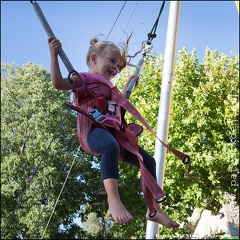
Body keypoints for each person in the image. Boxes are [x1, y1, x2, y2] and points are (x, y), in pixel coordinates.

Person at [48, 35, 180, 228]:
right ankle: (113, 200)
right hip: (92, 132)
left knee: (148, 161)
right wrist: (53, 56)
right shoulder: (83, 78)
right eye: (112, 61)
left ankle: (153, 209)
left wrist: (126, 89)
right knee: (109, 145)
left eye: (118, 65)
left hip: (115, 134)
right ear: (93, 59)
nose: (116, 68)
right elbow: (58, 83)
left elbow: (117, 106)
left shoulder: (112, 88)